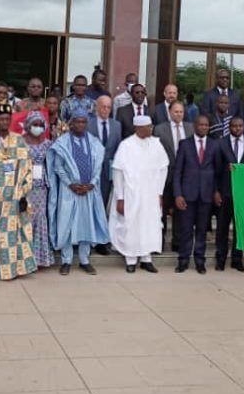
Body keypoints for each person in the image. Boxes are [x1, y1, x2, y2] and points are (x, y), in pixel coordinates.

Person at [46, 108, 108, 275]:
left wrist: (92, 183)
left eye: (83, 122)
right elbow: (58, 168)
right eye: (77, 121)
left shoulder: (94, 142)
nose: (80, 124)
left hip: (89, 191)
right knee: (67, 224)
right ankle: (66, 260)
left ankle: (84, 260)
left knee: (86, 225)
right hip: (69, 191)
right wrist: (71, 184)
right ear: (71, 123)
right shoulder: (62, 142)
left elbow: (98, 167)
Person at [0, 102, 36, 280]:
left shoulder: (19, 140)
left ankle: (14, 267)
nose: (4, 122)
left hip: (14, 194)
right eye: (1, 119)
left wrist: (24, 193)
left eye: (7, 119)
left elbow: (27, 168)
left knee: (12, 233)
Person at [109, 116, 169, 273]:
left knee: (149, 225)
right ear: (138, 128)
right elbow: (118, 172)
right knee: (131, 225)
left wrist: (160, 193)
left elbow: (163, 169)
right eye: (147, 127)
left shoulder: (156, 144)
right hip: (131, 194)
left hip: (151, 194)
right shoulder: (126, 145)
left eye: (151, 126)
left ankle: (146, 258)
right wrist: (120, 197)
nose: (151, 129)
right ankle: (131, 259)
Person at [173, 115, 219, 274]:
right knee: (185, 230)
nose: (204, 128)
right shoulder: (185, 144)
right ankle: (183, 260)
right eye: (201, 125)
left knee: (201, 231)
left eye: (206, 125)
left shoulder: (214, 145)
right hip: (187, 195)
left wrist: (216, 192)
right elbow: (177, 172)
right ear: (195, 126)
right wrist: (178, 194)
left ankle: (200, 261)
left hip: (205, 195)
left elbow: (217, 172)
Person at [213, 115, 244, 272]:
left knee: (240, 228)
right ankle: (221, 258)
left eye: (240, 126)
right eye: (234, 126)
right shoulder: (220, 144)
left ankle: (237, 259)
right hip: (225, 192)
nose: (237, 129)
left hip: (243, 194)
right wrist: (215, 191)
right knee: (222, 228)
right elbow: (215, 170)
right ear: (229, 127)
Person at [154, 100, 193, 253]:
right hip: (165, 176)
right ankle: (159, 242)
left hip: (185, 177)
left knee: (180, 210)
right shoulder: (159, 129)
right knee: (161, 211)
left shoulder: (190, 128)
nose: (178, 114)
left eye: (181, 112)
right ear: (170, 112)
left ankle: (177, 242)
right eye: (176, 111)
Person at [88, 96, 121, 256]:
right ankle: (88, 238)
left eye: (109, 107)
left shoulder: (117, 126)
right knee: (90, 205)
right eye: (103, 107)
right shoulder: (88, 124)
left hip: (108, 171)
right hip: (90, 171)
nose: (106, 110)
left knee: (104, 204)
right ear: (97, 107)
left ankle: (102, 241)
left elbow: (117, 149)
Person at [23, 111, 54, 268]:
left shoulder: (48, 144)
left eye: (40, 125)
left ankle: (39, 258)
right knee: (25, 219)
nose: (37, 127)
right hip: (24, 187)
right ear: (28, 126)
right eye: (34, 124)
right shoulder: (20, 143)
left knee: (40, 218)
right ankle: (24, 257)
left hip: (41, 187)